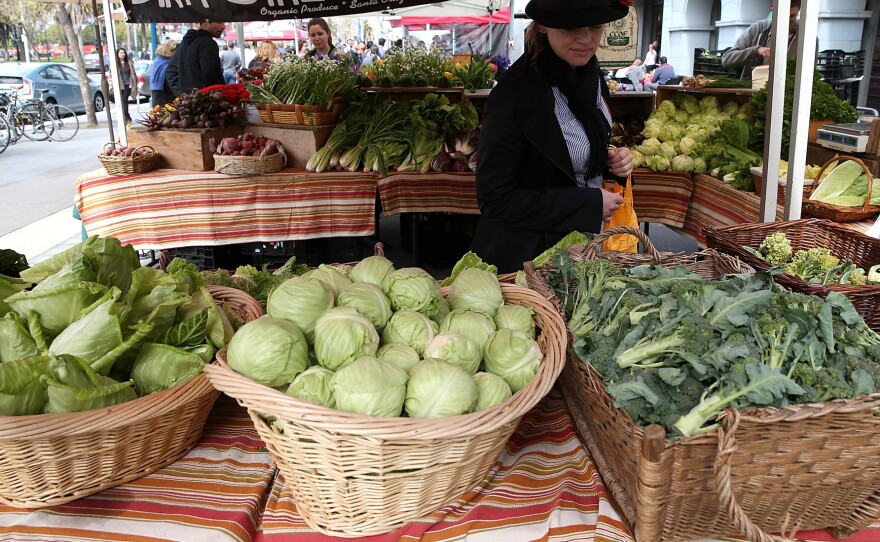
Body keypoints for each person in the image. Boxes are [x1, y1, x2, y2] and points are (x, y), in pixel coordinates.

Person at [470, 0, 632, 274]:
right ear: (544, 25)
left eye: (595, 25)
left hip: (583, 250)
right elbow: (494, 199)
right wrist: (586, 203)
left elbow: (567, 159)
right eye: (570, 27)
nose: (586, 38)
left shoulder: (592, 78)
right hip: (532, 261)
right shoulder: (514, 95)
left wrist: (611, 163)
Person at [721, 0, 801, 79]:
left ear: (798, 11)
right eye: (782, 15)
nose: (786, 21)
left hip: (789, 91)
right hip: (752, 90)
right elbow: (727, 60)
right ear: (773, 10)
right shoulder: (758, 28)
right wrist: (756, 51)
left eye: (791, 16)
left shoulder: (804, 33)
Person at [166, 21, 225, 95]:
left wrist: (184, 93)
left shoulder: (184, 43)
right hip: (207, 101)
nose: (223, 26)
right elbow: (210, 74)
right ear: (206, 22)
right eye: (219, 22)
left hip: (190, 102)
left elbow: (171, 71)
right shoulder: (208, 43)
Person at [150, 39, 178, 108]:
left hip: (157, 94)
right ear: (170, 50)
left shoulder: (158, 61)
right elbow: (170, 83)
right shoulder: (168, 64)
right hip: (165, 97)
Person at [114, 47, 137, 124]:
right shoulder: (115, 63)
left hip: (128, 84)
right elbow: (111, 74)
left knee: (124, 100)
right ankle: (126, 115)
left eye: (123, 53)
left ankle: (126, 116)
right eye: (120, 53)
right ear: (117, 54)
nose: (122, 54)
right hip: (119, 85)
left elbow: (133, 73)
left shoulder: (129, 62)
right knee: (120, 101)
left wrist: (135, 84)